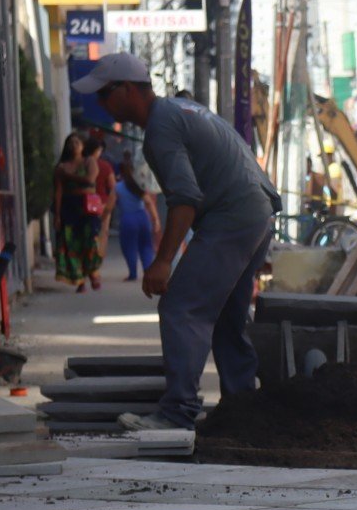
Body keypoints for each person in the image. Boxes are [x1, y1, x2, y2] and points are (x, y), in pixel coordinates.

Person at [74, 52, 279, 432]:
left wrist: (162, 262)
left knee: (181, 307)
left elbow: (185, 199)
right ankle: (243, 410)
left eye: (104, 95)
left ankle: (177, 412)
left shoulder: (161, 127)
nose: (100, 105)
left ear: (129, 90)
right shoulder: (180, 109)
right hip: (255, 212)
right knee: (226, 318)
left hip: (233, 216)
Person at [51, 134, 105, 292]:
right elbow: (58, 191)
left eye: (77, 142)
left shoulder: (89, 162)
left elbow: (90, 180)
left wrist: (67, 176)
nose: (74, 145)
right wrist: (58, 215)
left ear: (82, 146)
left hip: (87, 206)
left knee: (90, 241)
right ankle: (79, 279)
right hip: (69, 207)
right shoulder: (61, 166)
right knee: (71, 244)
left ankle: (93, 274)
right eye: (71, 142)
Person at [117, 162, 161, 281]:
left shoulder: (118, 187)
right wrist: (155, 219)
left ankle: (133, 273)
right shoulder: (138, 185)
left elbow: (109, 207)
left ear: (120, 172)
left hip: (127, 219)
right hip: (142, 217)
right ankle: (147, 270)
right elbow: (148, 202)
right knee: (146, 245)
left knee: (129, 247)